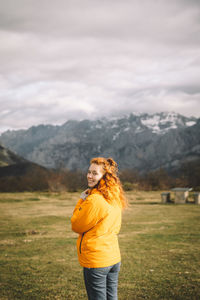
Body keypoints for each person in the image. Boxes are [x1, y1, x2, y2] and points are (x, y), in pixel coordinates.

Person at [71, 157, 127, 300]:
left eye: (95, 173)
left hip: (97, 262)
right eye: (89, 172)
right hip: (113, 258)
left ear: (105, 177)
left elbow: (76, 225)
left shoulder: (95, 199)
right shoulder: (114, 197)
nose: (89, 176)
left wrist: (81, 200)